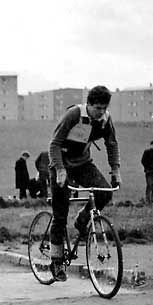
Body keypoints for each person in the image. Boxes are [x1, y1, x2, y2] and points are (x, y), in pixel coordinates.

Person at [48, 86, 121, 282]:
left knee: (104, 192)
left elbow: (112, 144)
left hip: (82, 163)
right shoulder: (74, 115)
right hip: (60, 164)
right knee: (60, 213)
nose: (101, 112)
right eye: (98, 108)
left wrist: (115, 170)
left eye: (104, 108)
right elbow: (54, 144)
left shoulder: (105, 119)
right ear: (88, 105)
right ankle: (56, 260)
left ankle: (82, 219)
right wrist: (61, 171)